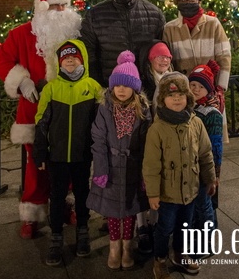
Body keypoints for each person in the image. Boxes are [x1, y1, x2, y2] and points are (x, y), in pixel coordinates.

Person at [0, 0, 82, 238]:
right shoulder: (21, 34)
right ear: (42, 8)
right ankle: (32, 212)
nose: (60, 10)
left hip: (68, 110)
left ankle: (64, 205)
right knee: (37, 164)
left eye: (63, 5)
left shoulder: (76, 33)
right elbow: (2, 60)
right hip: (33, 113)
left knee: (68, 160)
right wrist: (21, 80)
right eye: (54, 6)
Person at [33, 39, 101, 266]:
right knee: (57, 195)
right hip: (57, 156)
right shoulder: (51, 88)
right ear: (60, 62)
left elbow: (100, 123)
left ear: (82, 60)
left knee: (83, 193)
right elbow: (41, 122)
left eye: (74, 57)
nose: (70, 60)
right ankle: (56, 236)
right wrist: (40, 153)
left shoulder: (92, 87)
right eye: (65, 58)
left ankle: (83, 230)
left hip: (83, 155)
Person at [143, 73, 216, 278]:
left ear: (188, 98)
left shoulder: (195, 123)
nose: (177, 99)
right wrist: (153, 193)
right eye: (172, 95)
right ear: (163, 100)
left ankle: (179, 254)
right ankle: (160, 259)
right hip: (167, 192)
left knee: (185, 225)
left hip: (191, 188)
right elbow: (151, 165)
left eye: (181, 95)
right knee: (164, 227)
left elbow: (205, 153)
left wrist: (210, 178)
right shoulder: (157, 129)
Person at [86, 51, 152, 270]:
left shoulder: (143, 110)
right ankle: (115, 247)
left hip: (133, 168)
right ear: (112, 87)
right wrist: (101, 170)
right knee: (113, 212)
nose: (121, 90)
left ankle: (127, 245)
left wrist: (145, 174)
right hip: (112, 168)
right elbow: (98, 140)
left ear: (134, 88)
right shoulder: (105, 109)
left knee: (130, 210)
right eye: (118, 86)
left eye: (126, 86)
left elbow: (146, 144)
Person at [80, 0, 166, 88]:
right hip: (111, 87)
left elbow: (161, 50)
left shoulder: (154, 14)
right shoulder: (95, 15)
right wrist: (98, 85)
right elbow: (89, 54)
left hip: (147, 87)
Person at [135, 40, 173, 255]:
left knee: (161, 183)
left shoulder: (173, 80)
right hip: (145, 140)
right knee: (144, 184)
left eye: (167, 57)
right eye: (159, 56)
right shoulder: (143, 83)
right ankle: (142, 226)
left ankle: (157, 223)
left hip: (166, 141)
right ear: (150, 59)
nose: (164, 60)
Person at [163, 0, 231, 89]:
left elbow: (224, 57)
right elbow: (167, 64)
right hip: (182, 93)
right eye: (184, 0)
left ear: (199, 0)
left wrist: (220, 88)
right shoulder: (170, 28)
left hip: (209, 89)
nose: (188, 3)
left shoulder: (212, 23)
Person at [188, 62, 223, 255]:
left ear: (208, 89)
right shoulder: (188, 108)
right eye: (192, 85)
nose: (195, 89)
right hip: (190, 168)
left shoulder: (212, 114)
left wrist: (214, 175)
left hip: (204, 168)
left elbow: (216, 147)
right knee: (195, 206)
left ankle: (206, 243)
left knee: (204, 206)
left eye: (200, 87)